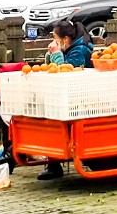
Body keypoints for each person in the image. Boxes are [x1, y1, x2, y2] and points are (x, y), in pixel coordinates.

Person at [37, 18, 94, 181]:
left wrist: (56, 55)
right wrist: (51, 55)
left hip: (80, 98)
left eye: (55, 39)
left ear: (65, 39)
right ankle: (53, 161)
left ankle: (55, 163)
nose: (54, 42)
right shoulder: (71, 48)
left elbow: (64, 72)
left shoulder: (79, 51)